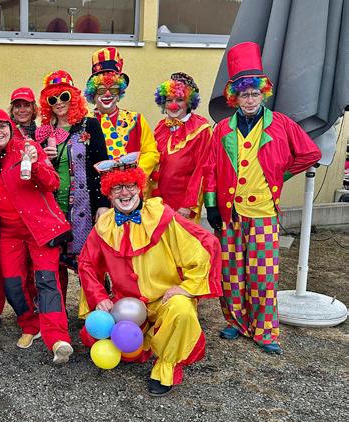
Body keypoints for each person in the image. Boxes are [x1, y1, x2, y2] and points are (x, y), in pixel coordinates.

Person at [203, 42, 321, 354]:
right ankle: (236, 321)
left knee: (263, 276)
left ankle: (265, 331)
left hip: (264, 213)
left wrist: (280, 175)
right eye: (244, 94)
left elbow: (310, 153)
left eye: (255, 93)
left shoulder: (281, 124)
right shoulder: (222, 129)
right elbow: (210, 169)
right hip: (230, 214)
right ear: (235, 97)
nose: (250, 99)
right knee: (231, 273)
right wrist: (211, 206)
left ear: (263, 93)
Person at [78, 153, 222, 396]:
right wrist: (98, 296)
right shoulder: (104, 225)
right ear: (109, 194)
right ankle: (142, 340)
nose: (124, 193)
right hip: (127, 305)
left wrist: (187, 288)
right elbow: (87, 264)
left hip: (164, 300)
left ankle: (165, 368)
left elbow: (205, 245)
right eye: (117, 188)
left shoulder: (161, 216)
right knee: (100, 339)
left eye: (130, 186)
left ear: (140, 187)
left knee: (182, 310)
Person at [0, 109, 74, 364]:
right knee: (12, 285)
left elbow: (52, 182)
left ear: (10, 128)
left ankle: (58, 338)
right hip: (8, 233)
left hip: (39, 229)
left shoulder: (29, 148)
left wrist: (35, 165)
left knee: (47, 281)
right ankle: (30, 324)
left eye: (2, 126)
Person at [35, 70, 109, 300]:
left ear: (74, 97)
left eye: (64, 96)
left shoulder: (90, 126)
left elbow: (102, 165)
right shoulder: (43, 132)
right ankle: (57, 311)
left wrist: (103, 203)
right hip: (53, 206)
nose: (59, 103)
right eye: (52, 99)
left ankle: (97, 306)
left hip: (84, 207)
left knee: (88, 260)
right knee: (54, 261)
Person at [84, 47, 159, 185]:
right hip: (97, 191)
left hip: (131, 190)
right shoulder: (85, 122)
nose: (107, 94)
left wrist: (134, 175)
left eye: (113, 89)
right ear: (93, 94)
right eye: (101, 90)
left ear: (119, 94)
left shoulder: (136, 119)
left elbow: (151, 153)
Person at [152, 73, 212, 223]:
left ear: (189, 102)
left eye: (179, 100)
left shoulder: (201, 129)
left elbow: (202, 170)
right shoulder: (161, 127)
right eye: (169, 100)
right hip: (158, 202)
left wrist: (188, 205)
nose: (174, 105)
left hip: (182, 205)